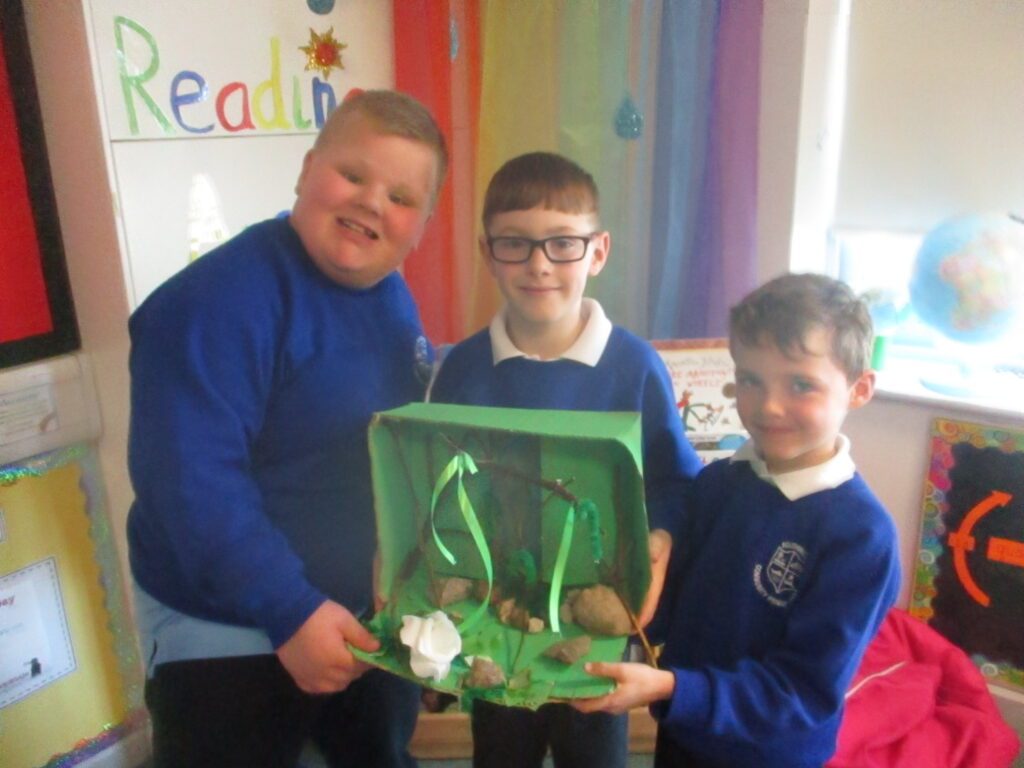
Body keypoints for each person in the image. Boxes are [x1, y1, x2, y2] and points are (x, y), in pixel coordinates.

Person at [126, 90, 447, 768]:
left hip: (359, 615)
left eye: (400, 197)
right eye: (353, 175)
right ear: (306, 171)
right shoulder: (213, 303)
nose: (371, 203)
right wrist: (290, 608)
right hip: (230, 626)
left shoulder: (388, 294)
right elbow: (190, 482)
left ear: (422, 227)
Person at [430, 151, 703, 768]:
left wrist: (660, 537)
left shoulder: (634, 366)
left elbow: (675, 480)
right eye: (515, 244)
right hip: (495, 619)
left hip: (597, 622)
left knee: (593, 752)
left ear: (597, 252)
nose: (539, 264)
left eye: (562, 244)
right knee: (500, 750)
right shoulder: (464, 368)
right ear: (488, 252)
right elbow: (440, 486)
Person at [573, 273, 902, 768]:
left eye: (801, 385)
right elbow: (673, 602)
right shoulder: (719, 483)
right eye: (750, 380)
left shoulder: (862, 536)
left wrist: (672, 688)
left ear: (859, 389)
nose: (769, 406)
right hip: (685, 728)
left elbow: (803, 692)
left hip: (767, 753)